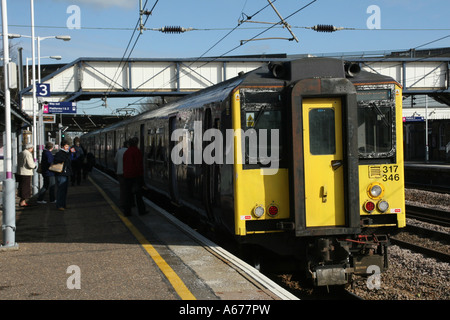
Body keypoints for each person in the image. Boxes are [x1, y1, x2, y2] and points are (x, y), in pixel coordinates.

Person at [123, 137, 146, 216]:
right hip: (136, 176)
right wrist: (141, 177)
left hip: (127, 176)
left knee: (128, 195)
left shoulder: (126, 152)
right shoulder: (137, 151)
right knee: (138, 195)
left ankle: (127, 212)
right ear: (136, 143)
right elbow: (139, 165)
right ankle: (141, 211)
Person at [53, 140, 73, 211]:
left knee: (64, 190)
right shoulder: (59, 153)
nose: (67, 147)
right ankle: (59, 205)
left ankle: (63, 204)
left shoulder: (67, 153)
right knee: (61, 190)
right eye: (66, 146)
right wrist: (67, 156)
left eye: (68, 146)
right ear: (63, 146)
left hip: (66, 173)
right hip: (61, 173)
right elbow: (58, 160)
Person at [114, 140, 129, 210]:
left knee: (122, 189)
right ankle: (128, 203)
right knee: (127, 189)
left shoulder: (119, 151)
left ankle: (122, 203)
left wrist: (115, 170)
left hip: (119, 172)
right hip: (127, 173)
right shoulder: (129, 152)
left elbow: (115, 161)